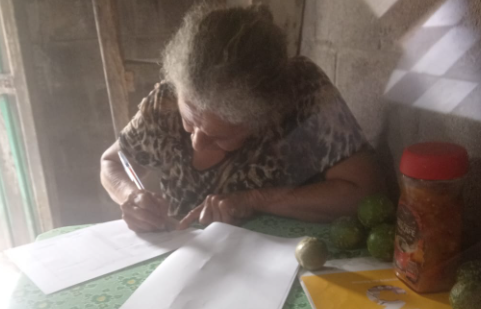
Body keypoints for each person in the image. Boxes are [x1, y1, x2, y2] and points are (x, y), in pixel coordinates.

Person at [100, 3, 385, 233]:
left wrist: (255, 200)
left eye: (219, 137)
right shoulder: (165, 102)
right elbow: (112, 162)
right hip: (186, 254)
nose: (197, 143)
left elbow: (365, 193)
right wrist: (131, 196)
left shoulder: (301, 91)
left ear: (263, 120)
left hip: (281, 258)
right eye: (190, 121)